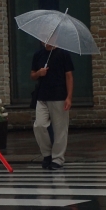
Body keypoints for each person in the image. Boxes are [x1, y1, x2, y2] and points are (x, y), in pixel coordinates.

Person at [31, 42, 74, 171]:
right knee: (39, 125)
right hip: (42, 96)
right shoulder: (38, 54)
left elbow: (69, 76)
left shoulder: (63, 54)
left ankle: (58, 159)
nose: (46, 39)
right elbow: (32, 75)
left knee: (60, 129)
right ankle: (47, 154)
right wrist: (39, 73)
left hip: (59, 96)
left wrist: (69, 97)